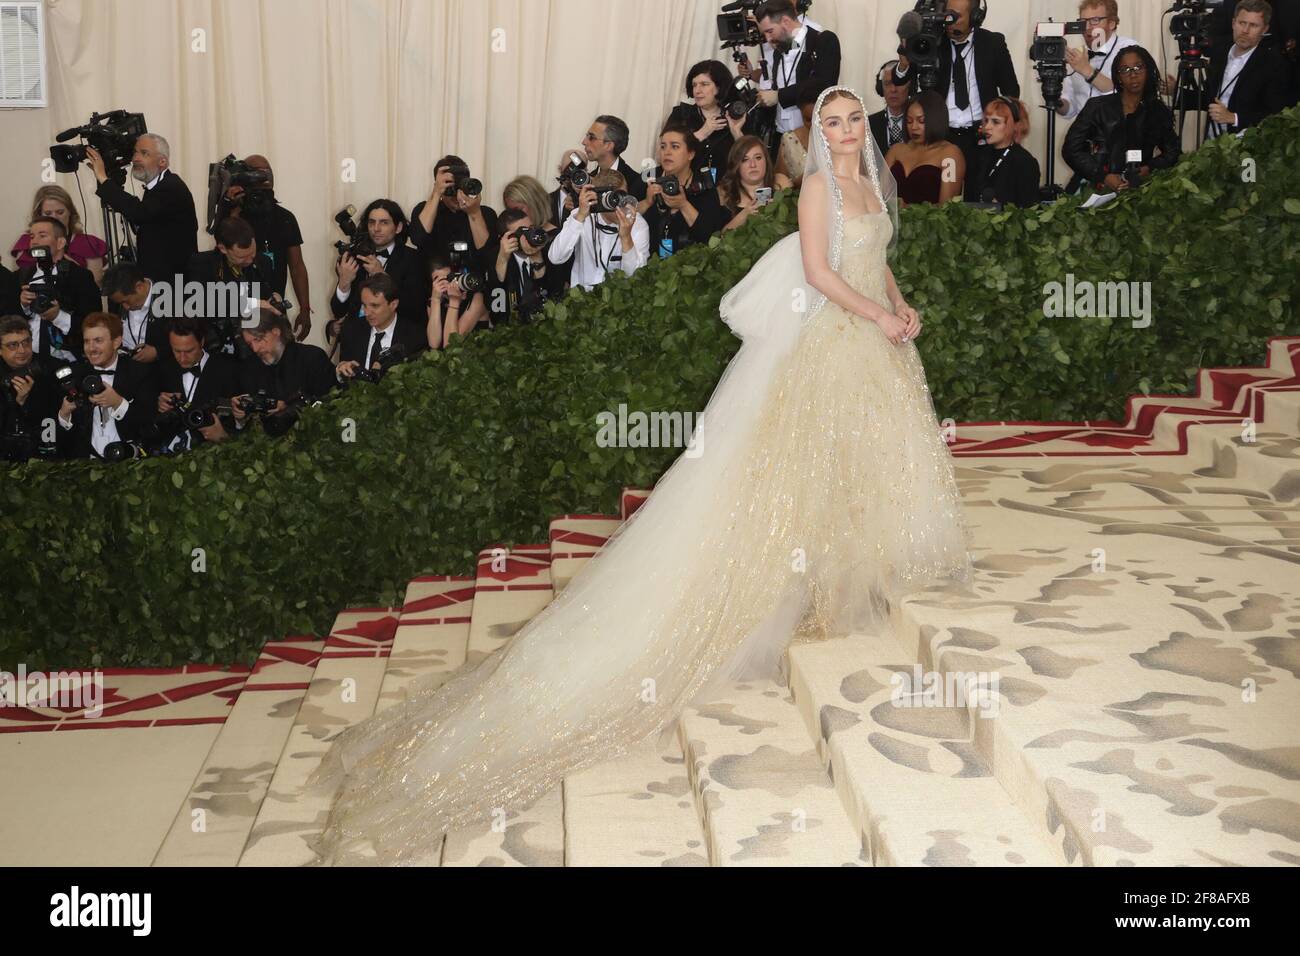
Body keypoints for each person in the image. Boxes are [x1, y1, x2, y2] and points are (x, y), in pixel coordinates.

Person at [306, 86, 972, 866]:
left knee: (861, 461)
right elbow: (822, 274)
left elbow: (874, 258)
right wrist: (877, 315)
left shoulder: (875, 181)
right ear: (816, 134)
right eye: (832, 122)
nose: (846, 131)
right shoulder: (821, 187)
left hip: (875, 333)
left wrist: (902, 304)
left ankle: (848, 570)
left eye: (854, 118)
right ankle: (801, 583)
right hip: (836, 337)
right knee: (799, 469)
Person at [892, 0, 1020, 201]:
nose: (949, 22)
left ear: (975, 16)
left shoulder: (993, 43)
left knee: (978, 196)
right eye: (946, 15)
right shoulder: (933, 40)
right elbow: (900, 78)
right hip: (941, 136)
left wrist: (999, 123)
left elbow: (1011, 90)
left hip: (982, 136)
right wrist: (904, 57)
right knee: (937, 199)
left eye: (956, 16)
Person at [215, 155, 313, 340]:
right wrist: (230, 207)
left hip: (274, 307)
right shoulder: (234, 217)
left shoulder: (285, 218)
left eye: (266, 173)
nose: (262, 177)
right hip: (238, 310)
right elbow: (222, 248)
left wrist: (305, 308)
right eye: (256, 173)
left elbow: (297, 266)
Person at [1063, 45, 1181, 194]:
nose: (1133, 74)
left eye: (1138, 67)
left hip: (1137, 191)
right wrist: (1102, 176)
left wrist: (1149, 168)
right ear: (1117, 76)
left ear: (1148, 70)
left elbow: (1173, 152)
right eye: (1125, 70)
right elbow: (1071, 150)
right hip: (1093, 187)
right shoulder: (1097, 107)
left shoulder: (1156, 110)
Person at [87, 133, 198, 283]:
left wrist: (102, 177)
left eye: (144, 153)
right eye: (135, 152)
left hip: (173, 285)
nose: (135, 159)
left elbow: (139, 212)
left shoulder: (171, 187)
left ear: (162, 162)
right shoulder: (157, 187)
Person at [54, 312, 158, 460]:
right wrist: (64, 415)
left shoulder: (140, 373)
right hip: (85, 467)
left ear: (116, 342)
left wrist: (118, 402)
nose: (91, 348)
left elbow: (149, 424)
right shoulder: (74, 375)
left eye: (98, 341)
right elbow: (64, 440)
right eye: (87, 341)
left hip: (130, 463)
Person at [328, 200, 428, 341]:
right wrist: (344, 284)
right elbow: (338, 310)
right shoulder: (355, 256)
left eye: (384, 222)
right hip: (357, 342)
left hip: (398, 341)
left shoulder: (413, 259)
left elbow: (415, 308)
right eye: (371, 222)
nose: (376, 228)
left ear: (398, 227)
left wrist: (382, 276)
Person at [753, 1, 842, 147]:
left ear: (786, 22)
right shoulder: (778, 50)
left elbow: (824, 84)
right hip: (780, 139)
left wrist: (779, 95)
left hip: (814, 139)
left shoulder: (824, 40)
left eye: (769, 31)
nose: (767, 39)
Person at [235, 310, 336, 436]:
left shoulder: (312, 358)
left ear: (276, 331)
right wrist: (240, 415)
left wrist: (289, 409)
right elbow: (249, 429)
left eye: (258, 339)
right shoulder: (250, 368)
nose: (255, 349)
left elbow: (330, 406)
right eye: (250, 344)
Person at [17, 217, 102, 365]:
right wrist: (25, 306)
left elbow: (94, 323)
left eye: (42, 235)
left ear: (60, 242)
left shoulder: (80, 276)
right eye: (32, 237)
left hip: (68, 360)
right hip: (29, 359)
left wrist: (58, 316)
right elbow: (10, 321)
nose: (35, 241)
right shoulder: (22, 276)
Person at [547, 170, 649, 291]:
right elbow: (555, 257)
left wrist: (626, 238)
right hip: (581, 301)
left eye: (622, 196)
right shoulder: (581, 215)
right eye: (613, 198)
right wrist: (579, 217)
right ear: (598, 196)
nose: (620, 204)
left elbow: (635, 278)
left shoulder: (637, 224)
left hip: (619, 302)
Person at [639, 124, 731, 259]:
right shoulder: (647, 178)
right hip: (647, 265)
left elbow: (710, 237)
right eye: (663, 146)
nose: (667, 152)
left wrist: (683, 205)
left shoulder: (704, 186)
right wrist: (647, 202)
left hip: (689, 267)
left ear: (690, 154)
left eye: (675, 146)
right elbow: (625, 216)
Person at [150, 317, 242, 451]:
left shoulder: (228, 370)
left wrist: (223, 437)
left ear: (202, 342)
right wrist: (159, 405)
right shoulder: (163, 370)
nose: (182, 358)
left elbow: (242, 424)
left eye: (188, 351)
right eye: (176, 350)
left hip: (215, 454)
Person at [1205, 0, 1291, 138]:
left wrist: (1234, 118)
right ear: (1233, 23)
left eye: (1253, 25)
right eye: (1242, 23)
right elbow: (1208, 99)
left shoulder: (1273, 64)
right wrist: (1176, 92)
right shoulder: (1219, 53)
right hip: (1209, 142)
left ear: (1265, 29)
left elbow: (1275, 114)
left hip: (1246, 147)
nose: (1245, 31)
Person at [408, 156, 499, 271]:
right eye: (450, 187)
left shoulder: (486, 213)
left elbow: (488, 254)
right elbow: (418, 238)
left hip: (473, 283)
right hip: (433, 283)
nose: (456, 194)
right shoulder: (424, 209)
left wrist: (474, 212)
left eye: (460, 186)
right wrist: (436, 193)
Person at [335, 273, 428, 381]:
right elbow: (343, 378)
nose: (367, 313)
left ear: (393, 304)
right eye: (364, 305)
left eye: (375, 306)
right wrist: (340, 369)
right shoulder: (351, 330)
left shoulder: (415, 337)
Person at [9, 186, 109, 284]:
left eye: (60, 212)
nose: (54, 218)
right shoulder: (27, 242)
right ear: (38, 214)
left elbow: (94, 286)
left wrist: (72, 267)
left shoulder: (88, 243)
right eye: (48, 213)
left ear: (70, 212)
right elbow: (19, 285)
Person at [666, 60, 747, 179]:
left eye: (704, 84)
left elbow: (752, 161)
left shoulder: (736, 116)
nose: (697, 91)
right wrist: (702, 133)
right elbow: (666, 155)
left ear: (719, 87)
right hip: (686, 187)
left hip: (726, 189)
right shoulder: (681, 114)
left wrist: (737, 133)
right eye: (694, 85)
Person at [885, 91, 966, 206]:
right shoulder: (895, 150)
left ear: (936, 120)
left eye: (921, 121)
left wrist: (907, 208)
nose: (914, 127)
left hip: (929, 223)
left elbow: (946, 206)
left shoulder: (950, 155)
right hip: (889, 221)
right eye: (909, 121)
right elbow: (878, 192)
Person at [0, 316, 61, 461]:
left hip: (43, 456)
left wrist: (26, 404)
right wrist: (17, 403)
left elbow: (54, 422)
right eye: (13, 345)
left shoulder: (51, 368)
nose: (22, 350)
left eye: (26, 342)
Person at [491, 209, 565, 323]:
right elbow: (496, 308)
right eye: (522, 232)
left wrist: (537, 257)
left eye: (531, 228)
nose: (530, 235)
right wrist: (502, 259)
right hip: (511, 331)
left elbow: (556, 296)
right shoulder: (496, 256)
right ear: (508, 238)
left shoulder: (551, 253)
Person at [969, 97, 1041, 207]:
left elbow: (1028, 211)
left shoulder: (1024, 162)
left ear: (1015, 126)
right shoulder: (979, 155)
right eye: (986, 120)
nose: (987, 127)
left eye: (995, 122)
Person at [504, 174, 571, 291]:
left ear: (534, 203)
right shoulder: (511, 238)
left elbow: (558, 288)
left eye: (518, 210)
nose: (515, 216)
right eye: (510, 211)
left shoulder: (559, 237)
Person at [719, 135, 793, 232]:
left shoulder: (781, 183)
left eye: (758, 158)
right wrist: (744, 214)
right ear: (737, 165)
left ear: (766, 160)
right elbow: (721, 238)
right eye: (745, 160)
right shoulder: (724, 193)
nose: (753, 165)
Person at [102, 262, 171, 364]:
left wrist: (157, 352)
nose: (125, 307)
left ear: (140, 287)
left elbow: (190, 342)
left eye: (126, 301)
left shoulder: (171, 302)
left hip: (159, 369)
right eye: (120, 303)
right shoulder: (117, 299)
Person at [426, 254, 489, 349]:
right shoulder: (435, 301)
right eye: (438, 280)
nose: (445, 283)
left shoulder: (476, 299)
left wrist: (454, 302)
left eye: (448, 277)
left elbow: (450, 345)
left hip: (473, 358)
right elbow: (434, 343)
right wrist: (435, 300)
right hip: (445, 360)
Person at [580, 116, 649, 203]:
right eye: (587, 136)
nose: (584, 142)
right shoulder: (588, 181)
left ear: (609, 145)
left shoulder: (636, 183)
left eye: (592, 137)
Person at [775, 87, 820, 186]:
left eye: (819, 119)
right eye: (808, 119)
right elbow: (781, 185)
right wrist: (796, 183)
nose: (814, 125)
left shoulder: (839, 140)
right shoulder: (789, 140)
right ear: (800, 113)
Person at [868, 60, 914, 155]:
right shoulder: (868, 124)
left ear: (910, 86)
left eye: (899, 83)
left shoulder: (919, 123)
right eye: (888, 83)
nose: (893, 90)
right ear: (881, 88)